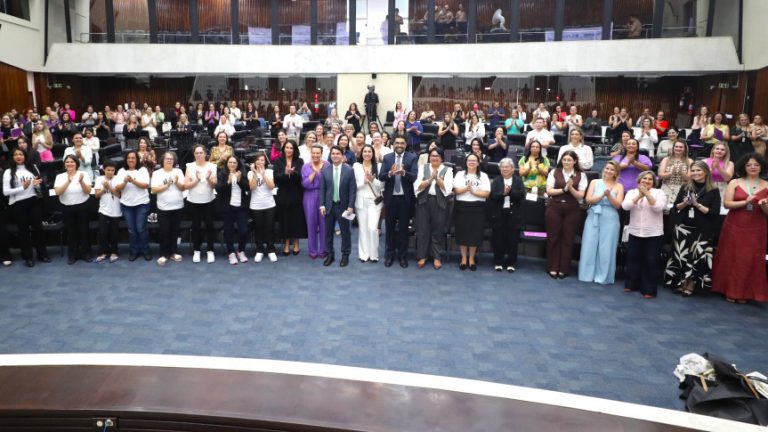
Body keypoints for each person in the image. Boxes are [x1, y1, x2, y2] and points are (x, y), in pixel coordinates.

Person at [712, 153, 768, 303]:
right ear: (744, 167)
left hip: (757, 226)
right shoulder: (734, 182)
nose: (753, 167)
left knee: (750, 259)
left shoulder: (767, 185)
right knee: (732, 256)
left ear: (761, 166)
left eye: (756, 165)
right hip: (735, 224)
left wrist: (764, 206)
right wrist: (745, 202)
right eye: (749, 165)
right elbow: (727, 204)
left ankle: (745, 293)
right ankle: (729, 290)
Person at [664, 161, 720, 297]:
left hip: (702, 230)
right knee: (681, 256)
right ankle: (681, 282)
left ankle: (692, 283)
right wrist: (685, 203)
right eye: (693, 170)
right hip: (683, 228)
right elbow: (675, 208)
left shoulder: (713, 189)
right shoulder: (685, 187)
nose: (695, 173)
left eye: (698, 170)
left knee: (697, 257)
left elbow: (714, 213)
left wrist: (696, 204)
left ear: (706, 172)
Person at [621, 171, 667, 298]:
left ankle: (648, 289)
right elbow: (625, 206)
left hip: (653, 232)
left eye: (650, 179)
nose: (646, 181)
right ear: (639, 181)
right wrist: (639, 196)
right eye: (644, 179)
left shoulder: (659, 193)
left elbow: (658, 207)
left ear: (654, 182)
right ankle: (631, 284)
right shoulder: (632, 193)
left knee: (651, 260)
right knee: (633, 258)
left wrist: (647, 195)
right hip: (635, 231)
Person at [578, 161, 624, 284]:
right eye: (607, 168)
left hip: (610, 217)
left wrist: (609, 196)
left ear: (616, 173)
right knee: (589, 244)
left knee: (607, 247)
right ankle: (586, 275)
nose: (608, 171)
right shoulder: (594, 182)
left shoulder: (619, 186)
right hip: (594, 214)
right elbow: (588, 199)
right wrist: (602, 195)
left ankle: (603, 276)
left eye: (612, 170)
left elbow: (618, 205)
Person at [2, 148, 50, 267]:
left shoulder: (32, 168)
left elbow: (38, 187)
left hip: (33, 201)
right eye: (16, 154)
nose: (18, 156)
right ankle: (28, 257)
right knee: (24, 231)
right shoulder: (8, 172)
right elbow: (5, 192)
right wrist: (22, 188)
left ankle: (42, 254)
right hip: (18, 204)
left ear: (25, 156)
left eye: (21, 154)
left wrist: (37, 185)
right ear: (12, 157)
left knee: (38, 228)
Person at [545, 150, 586, 279]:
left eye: (569, 160)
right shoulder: (554, 172)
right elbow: (549, 191)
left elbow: (580, 196)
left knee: (568, 238)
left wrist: (571, 188)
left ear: (575, 161)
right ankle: (552, 266)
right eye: (564, 159)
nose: (566, 162)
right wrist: (564, 189)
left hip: (572, 209)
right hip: (555, 207)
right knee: (553, 237)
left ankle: (563, 268)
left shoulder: (581, 175)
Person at [378, 134, 418, 268]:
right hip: (391, 199)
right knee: (389, 228)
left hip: (405, 200)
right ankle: (389, 255)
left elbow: (414, 177)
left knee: (403, 230)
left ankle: (402, 256)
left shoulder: (412, 158)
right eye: (397, 143)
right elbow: (381, 176)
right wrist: (390, 173)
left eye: (402, 143)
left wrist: (404, 173)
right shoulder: (387, 158)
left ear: (405, 144)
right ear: (393, 144)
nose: (399, 145)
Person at [413, 147, 453, 270]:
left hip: (439, 202)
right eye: (432, 156)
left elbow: (448, 189)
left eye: (437, 156)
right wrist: (430, 179)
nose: (434, 158)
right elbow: (417, 186)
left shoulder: (448, 170)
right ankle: (422, 256)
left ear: (442, 158)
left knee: (438, 230)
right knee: (423, 229)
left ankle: (437, 257)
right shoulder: (423, 168)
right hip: (424, 201)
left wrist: (437, 178)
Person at [452, 153, 491, 271]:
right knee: (462, 233)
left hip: (478, 207)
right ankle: (463, 258)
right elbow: (455, 190)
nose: (472, 162)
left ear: (478, 163)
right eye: (469, 160)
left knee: (475, 234)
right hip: (462, 207)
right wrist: (467, 189)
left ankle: (472, 259)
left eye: (474, 160)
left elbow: (487, 193)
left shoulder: (483, 176)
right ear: (466, 162)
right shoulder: (459, 174)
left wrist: (474, 192)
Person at [319, 146, 356, 267]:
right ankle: (330, 255)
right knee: (328, 233)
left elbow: (352, 190)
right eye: (333, 153)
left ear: (342, 155)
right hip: (329, 207)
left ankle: (345, 256)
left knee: (345, 233)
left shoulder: (349, 170)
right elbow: (322, 190)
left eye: (337, 154)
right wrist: (322, 205)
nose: (335, 156)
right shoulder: (325, 170)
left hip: (344, 207)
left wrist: (351, 206)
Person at [489, 158, 525, 273]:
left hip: (514, 215)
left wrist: (510, 192)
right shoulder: (496, 181)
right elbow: (493, 197)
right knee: (498, 239)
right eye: (502, 167)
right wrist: (503, 193)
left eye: (507, 167)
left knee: (513, 240)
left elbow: (521, 195)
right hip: (499, 214)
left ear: (512, 168)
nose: (504, 169)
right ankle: (498, 262)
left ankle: (511, 263)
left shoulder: (518, 181)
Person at [54, 155, 92, 264]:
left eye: (72, 162)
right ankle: (72, 255)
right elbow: (58, 192)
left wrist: (81, 182)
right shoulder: (60, 176)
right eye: (67, 162)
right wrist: (68, 181)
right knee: (71, 233)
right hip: (67, 207)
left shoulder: (83, 174)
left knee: (84, 231)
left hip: (82, 206)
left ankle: (85, 253)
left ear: (76, 164)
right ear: (64, 165)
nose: (70, 164)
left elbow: (88, 191)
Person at [150, 151, 186, 266]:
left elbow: (183, 188)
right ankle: (163, 254)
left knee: (175, 231)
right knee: (164, 231)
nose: (169, 160)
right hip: (163, 207)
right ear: (162, 160)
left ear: (174, 161)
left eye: (171, 159)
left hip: (177, 206)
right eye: (167, 159)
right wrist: (168, 184)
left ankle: (173, 252)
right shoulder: (157, 173)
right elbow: (154, 190)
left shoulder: (178, 171)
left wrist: (176, 183)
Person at [115, 151, 152, 261]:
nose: (131, 160)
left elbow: (145, 185)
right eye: (129, 158)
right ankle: (134, 250)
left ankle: (145, 250)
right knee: (131, 229)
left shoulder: (142, 170)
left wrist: (132, 180)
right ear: (126, 160)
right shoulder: (121, 171)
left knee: (141, 228)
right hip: (126, 204)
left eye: (133, 158)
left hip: (142, 203)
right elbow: (118, 188)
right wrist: (126, 182)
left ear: (137, 159)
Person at [184, 145, 218, 264]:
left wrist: (208, 178)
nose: (198, 155)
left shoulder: (212, 166)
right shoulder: (190, 166)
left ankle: (210, 251)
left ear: (205, 154)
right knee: (196, 226)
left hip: (209, 201)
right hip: (193, 201)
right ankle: (197, 251)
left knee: (209, 226)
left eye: (200, 153)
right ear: (194, 154)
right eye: (196, 153)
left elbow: (214, 185)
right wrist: (197, 180)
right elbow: (185, 185)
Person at [214, 156, 250, 265]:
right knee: (228, 231)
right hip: (227, 207)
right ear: (227, 164)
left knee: (243, 230)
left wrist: (239, 180)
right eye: (230, 162)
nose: (232, 164)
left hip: (241, 207)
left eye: (234, 162)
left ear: (238, 164)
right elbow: (218, 189)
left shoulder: (242, 173)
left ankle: (241, 250)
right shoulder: (222, 174)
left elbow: (247, 188)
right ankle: (231, 252)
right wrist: (229, 181)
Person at [273, 140, 306, 256]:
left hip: (296, 193)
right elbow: (276, 178)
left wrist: (293, 173)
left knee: (296, 219)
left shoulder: (299, 161)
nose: (289, 150)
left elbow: (301, 176)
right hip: (283, 194)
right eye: (287, 147)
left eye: (291, 148)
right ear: (283, 149)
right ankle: (286, 243)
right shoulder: (278, 161)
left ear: (294, 149)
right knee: (285, 219)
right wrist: (285, 173)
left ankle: (296, 243)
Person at [354, 145, 383, 263]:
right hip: (360, 201)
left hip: (374, 202)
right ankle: (364, 254)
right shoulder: (356, 166)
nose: (367, 153)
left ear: (373, 153)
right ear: (361, 153)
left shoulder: (379, 166)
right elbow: (353, 185)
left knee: (372, 228)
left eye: (369, 151)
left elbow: (382, 186)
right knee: (363, 228)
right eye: (364, 151)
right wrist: (363, 182)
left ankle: (374, 254)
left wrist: (372, 180)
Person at [248, 152, 278, 263]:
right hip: (256, 205)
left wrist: (263, 173)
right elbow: (252, 187)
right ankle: (259, 250)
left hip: (269, 204)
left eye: (262, 160)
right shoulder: (251, 173)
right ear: (255, 162)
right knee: (258, 228)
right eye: (258, 160)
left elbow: (271, 186)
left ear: (265, 162)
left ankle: (271, 249)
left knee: (270, 228)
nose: (260, 162)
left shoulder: (270, 172)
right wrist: (256, 173)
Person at [301, 145, 330, 260]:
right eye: (313, 153)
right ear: (311, 153)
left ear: (321, 153)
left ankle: (323, 250)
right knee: (311, 225)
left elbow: (329, 182)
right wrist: (315, 171)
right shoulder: (305, 166)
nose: (315, 155)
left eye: (318, 153)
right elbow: (305, 184)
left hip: (324, 196)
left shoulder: (327, 165)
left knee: (324, 225)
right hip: (309, 196)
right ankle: (312, 251)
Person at [94, 160, 122, 263]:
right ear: (104, 170)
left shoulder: (118, 179)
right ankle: (104, 252)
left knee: (114, 232)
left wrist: (109, 187)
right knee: (103, 232)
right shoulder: (99, 179)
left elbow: (119, 194)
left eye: (112, 170)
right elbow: (96, 195)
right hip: (103, 210)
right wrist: (103, 189)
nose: (110, 172)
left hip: (116, 210)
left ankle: (114, 252)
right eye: (108, 170)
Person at [658, 140, 693, 207]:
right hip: (666, 188)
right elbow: (660, 175)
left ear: (685, 149)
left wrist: (681, 173)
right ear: (673, 148)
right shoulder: (666, 159)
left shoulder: (689, 161)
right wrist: (670, 173)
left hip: (682, 189)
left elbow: (690, 178)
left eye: (681, 147)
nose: (678, 148)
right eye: (676, 146)